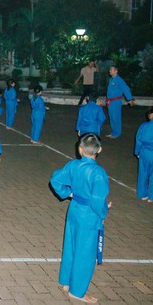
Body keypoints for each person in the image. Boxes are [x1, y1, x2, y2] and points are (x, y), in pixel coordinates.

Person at [50, 134, 110, 304]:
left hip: (74, 209)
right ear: (99, 149)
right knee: (85, 253)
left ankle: (66, 282)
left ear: (80, 149)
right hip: (89, 215)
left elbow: (55, 179)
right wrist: (103, 213)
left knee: (71, 246)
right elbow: (98, 200)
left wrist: (68, 193)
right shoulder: (98, 172)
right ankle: (77, 292)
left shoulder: (73, 165)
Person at [105, 66, 134, 139]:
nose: (110, 71)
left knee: (116, 117)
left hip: (116, 102)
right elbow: (111, 91)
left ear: (116, 71)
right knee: (112, 117)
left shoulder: (119, 80)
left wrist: (130, 99)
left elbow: (125, 88)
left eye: (111, 70)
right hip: (110, 101)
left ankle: (116, 133)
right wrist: (107, 99)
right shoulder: (111, 79)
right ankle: (113, 132)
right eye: (110, 69)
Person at [135, 108, 153, 202]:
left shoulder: (144, 126)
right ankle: (151, 196)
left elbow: (139, 140)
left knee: (143, 173)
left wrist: (137, 152)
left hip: (144, 152)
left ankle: (142, 194)